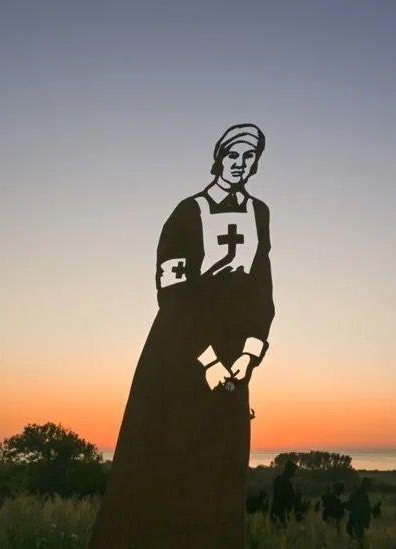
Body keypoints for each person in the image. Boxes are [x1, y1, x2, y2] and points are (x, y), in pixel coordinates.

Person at [90, 124, 275, 548]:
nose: (240, 165)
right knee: (163, 458)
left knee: (219, 465)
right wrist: (207, 360)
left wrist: (249, 353)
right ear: (218, 156)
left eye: (249, 158)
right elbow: (172, 294)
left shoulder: (259, 212)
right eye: (233, 155)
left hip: (234, 351)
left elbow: (262, 287)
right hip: (178, 348)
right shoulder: (187, 212)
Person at [271, 460, 299, 525]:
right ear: (289, 470)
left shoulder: (278, 480)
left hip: (277, 510)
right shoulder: (285, 482)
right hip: (281, 512)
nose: (293, 474)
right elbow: (287, 498)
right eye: (293, 471)